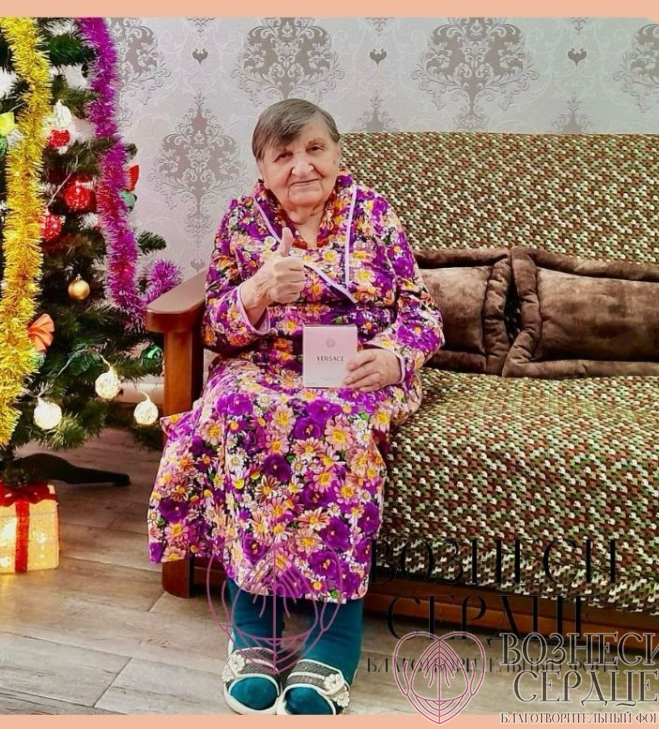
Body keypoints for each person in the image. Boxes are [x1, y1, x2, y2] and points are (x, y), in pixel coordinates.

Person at [147, 99, 444, 715]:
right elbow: (216, 332)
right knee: (239, 412)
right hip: (264, 364)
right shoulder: (242, 220)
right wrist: (256, 291)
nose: (302, 167)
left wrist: (393, 357)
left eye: (314, 149)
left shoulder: (374, 214)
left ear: (337, 153)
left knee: (334, 423)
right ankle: (254, 622)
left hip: (356, 367)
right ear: (262, 168)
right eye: (283, 155)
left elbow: (421, 312)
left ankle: (335, 634)